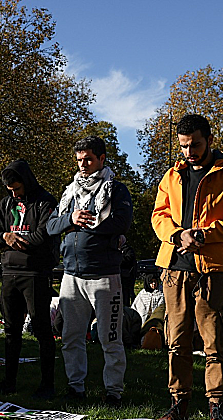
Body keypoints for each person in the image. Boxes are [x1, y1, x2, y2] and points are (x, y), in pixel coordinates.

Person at [151, 114, 223, 420]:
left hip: (213, 269)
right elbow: (159, 215)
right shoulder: (171, 176)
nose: (189, 151)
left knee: (215, 341)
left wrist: (204, 235)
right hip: (174, 268)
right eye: (183, 146)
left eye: (194, 144)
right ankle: (179, 402)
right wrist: (177, 234)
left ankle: (217, 406)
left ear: (208, 139)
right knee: (176, 339)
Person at [46, 136, 133, 405]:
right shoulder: (69, 192)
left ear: (102, 159)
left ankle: (114, 392)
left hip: (105, 275)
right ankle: (75, 388)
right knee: (71, 336)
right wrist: (69, 219)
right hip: (71, 274)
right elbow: (50, 226)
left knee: (110, 338)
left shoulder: (116, 190)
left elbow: (122, 222)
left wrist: (86, 225)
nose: (83, 165)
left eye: (88, 159)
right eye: (79, 160)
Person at [0, 159, 59, 398]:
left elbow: (45, 232)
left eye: (17, 189)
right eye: (11, 190)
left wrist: (21, 241)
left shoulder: (45, 201)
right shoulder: (5, 203)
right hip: (9, 273)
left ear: (26, 181)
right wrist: (6, 237)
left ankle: (47, 384)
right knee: (11, 330)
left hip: (35, 273)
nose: (15, 194)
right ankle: (9, 382)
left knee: (41, 329)